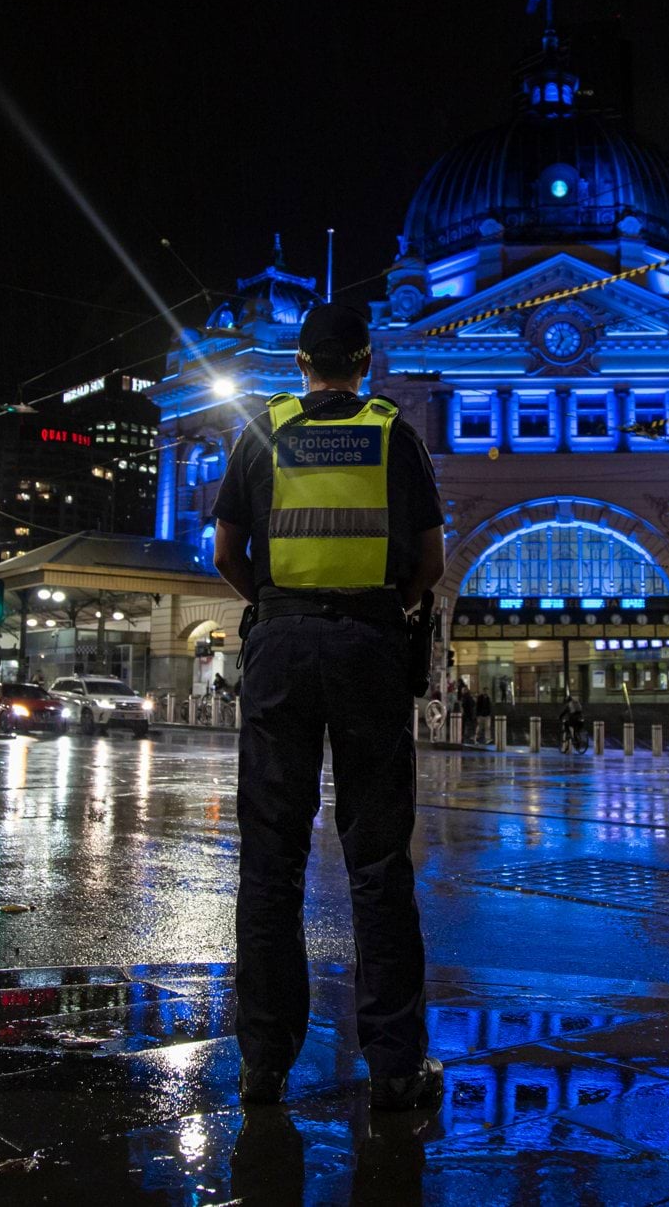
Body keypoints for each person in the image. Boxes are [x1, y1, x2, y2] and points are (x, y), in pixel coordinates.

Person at [212, 302, 446, 1111]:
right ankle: (393, 1066)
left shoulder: (262, 431)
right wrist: (390, 611)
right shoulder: (392, 433)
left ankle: (265, 1061)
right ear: (366, 359)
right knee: (379, 862)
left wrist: (276, 604)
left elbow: (226, 553)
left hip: (279, 646)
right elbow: (431, 560)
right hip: (369, 644)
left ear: (300, 362)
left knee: (271, 859)